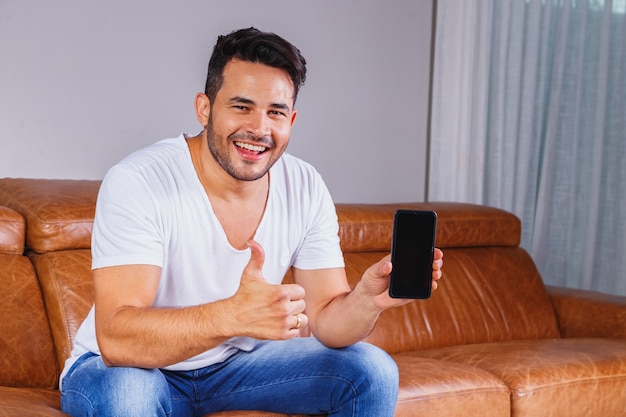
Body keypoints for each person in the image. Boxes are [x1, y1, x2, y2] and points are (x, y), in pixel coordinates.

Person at [60, 27, 444, 417]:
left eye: (275, 112)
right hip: (124, 369)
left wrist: (365, 301)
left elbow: (328, 320)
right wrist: (233, 315)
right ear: (204, 109)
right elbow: (118, 339)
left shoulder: (305, 185)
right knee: (130, 395)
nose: (259, 129)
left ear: (291, 119)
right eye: (241, 106)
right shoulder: (140, 180)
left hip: (235, 370)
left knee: (370, 370)